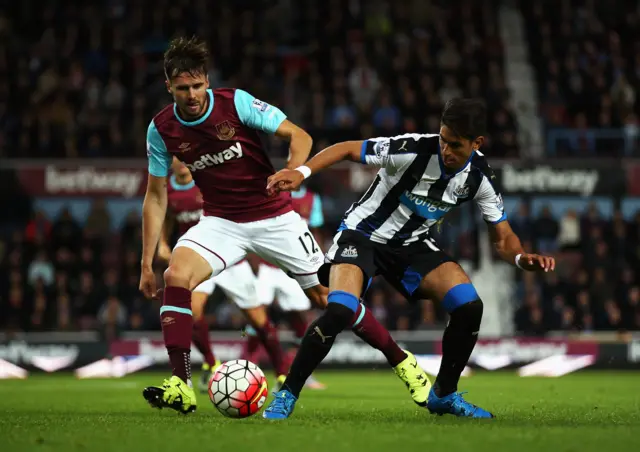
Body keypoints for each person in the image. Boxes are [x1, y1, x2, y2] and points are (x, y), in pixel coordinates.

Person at [139, 36, 429, 415]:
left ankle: (404, 363)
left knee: (331, 300)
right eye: (182, 88)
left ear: (206, 81)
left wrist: (294, 169)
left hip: (274, 217)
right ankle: (181, 383)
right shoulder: (160, 129)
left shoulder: (236, 103)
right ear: (169, 87)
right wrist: (147, 262)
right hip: (220, 222)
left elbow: (299, 135)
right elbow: (156, 196)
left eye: (196, 85)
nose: (191, 95)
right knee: (176, 276)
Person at [263, 98, 556, 420]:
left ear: (477, 143)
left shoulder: (480, 177)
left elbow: (502, 237)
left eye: (455, 145)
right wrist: (301, 172)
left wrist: (519, 257)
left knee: (469, 305)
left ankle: (444, 394)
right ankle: (287, 393)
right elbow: (347, 148)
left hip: (411, 246)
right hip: (363, 236)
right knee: (340, 309)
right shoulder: (412, 149)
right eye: (443, 139)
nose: (445, 149)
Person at [157, 157, 290, 393]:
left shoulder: (207, 179)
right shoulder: (167, 189)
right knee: (192, 311)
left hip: (228, 256)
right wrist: (163, 244)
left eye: (182, 157)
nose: (180, 163)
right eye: (175, 158)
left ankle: (282, 372)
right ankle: (211, 361)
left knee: (258, 320)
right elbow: (166, 218)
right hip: (197, 259)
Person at [244, 185, 327, 390]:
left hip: (295, 267)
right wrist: (254, 260)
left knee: (301, 318)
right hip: (268, 266)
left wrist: (318, 262)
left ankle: (303, 372)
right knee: (256, 315)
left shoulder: (312, 199)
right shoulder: (271, 192)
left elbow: (314, 232)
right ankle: (247, 369)